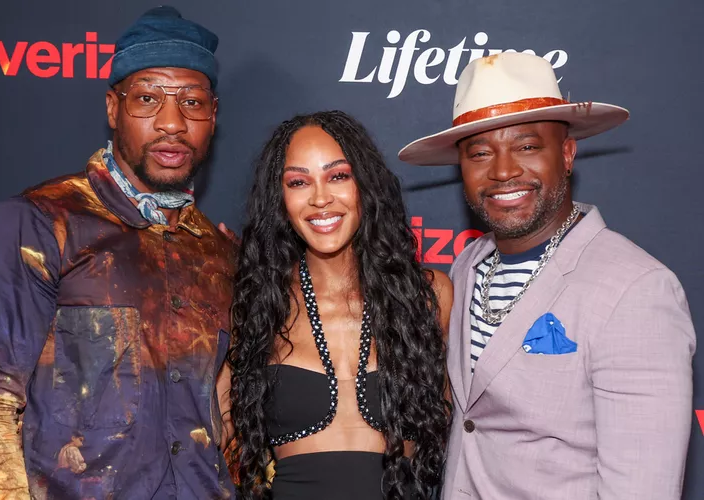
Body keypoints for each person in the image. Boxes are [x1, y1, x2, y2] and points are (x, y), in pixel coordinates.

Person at [0, 6, 237, 499]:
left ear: (213, 115)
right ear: (113, 108)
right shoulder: (39, 223)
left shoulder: (220, 255)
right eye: (148, 99)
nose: (172, 122)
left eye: (192, 102)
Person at [398, 52, 696, 499]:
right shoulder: (467, 266)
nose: (503, 171)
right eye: (480, 153)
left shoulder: (638, 290)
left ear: (568, 152)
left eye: (527, 146)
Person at [222, 111, 453, 499]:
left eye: (337, 176)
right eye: (298, 181)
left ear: (365, 184)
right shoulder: (256, 303)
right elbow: (208, 437)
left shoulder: (430, 296)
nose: (320, 198)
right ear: (280, 199)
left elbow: (466, 433)